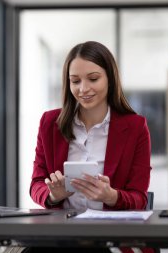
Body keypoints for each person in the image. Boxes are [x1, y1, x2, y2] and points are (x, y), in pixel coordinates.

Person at [30, 41, 151, 212]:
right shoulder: (49, 123)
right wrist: (53, 195)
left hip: (110, 232)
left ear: (110, 78)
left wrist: (111, 196)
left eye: (93, 79)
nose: (83, 89)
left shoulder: (136, 127)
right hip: (63, 231)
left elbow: (140, 198)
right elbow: (36, 184)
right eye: (75, 81)